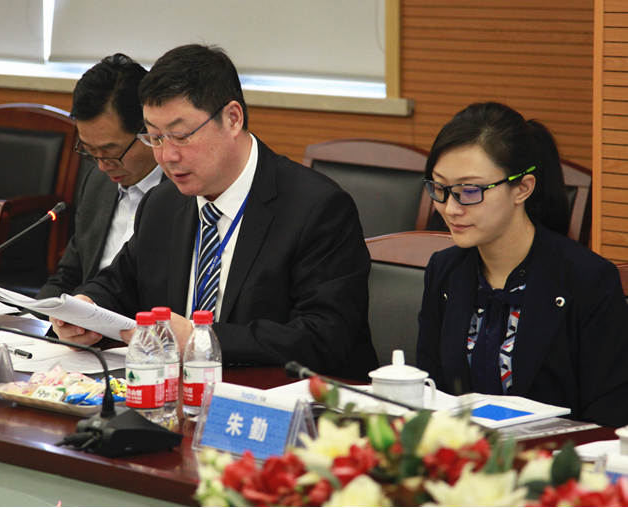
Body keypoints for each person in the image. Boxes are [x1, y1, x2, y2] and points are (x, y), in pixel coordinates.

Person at [52, 44, 378, 380]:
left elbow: (324, 337)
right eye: (155, 137)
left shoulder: (317, 208)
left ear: (232, 119)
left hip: (279, 396)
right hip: (178, 393)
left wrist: (201, 340)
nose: (167, 156)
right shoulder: (162, 204)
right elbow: (119, 283)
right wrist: (85, 308)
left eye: (180, 136)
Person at [416, 102, 628, 427]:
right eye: (440, 188)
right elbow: (430, 393)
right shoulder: (444, 271)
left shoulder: (588, 280)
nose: (450, 209)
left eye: (469, 191)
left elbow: (608, 416)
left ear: (522, 188)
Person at [36, 54, 163, 300]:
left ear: (149, 131)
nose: (103, 166)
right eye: (90, 151)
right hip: (88, 318)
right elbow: (70, 276)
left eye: (112, 151)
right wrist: (32, 315)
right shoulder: (97, 183)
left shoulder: (184, 193)